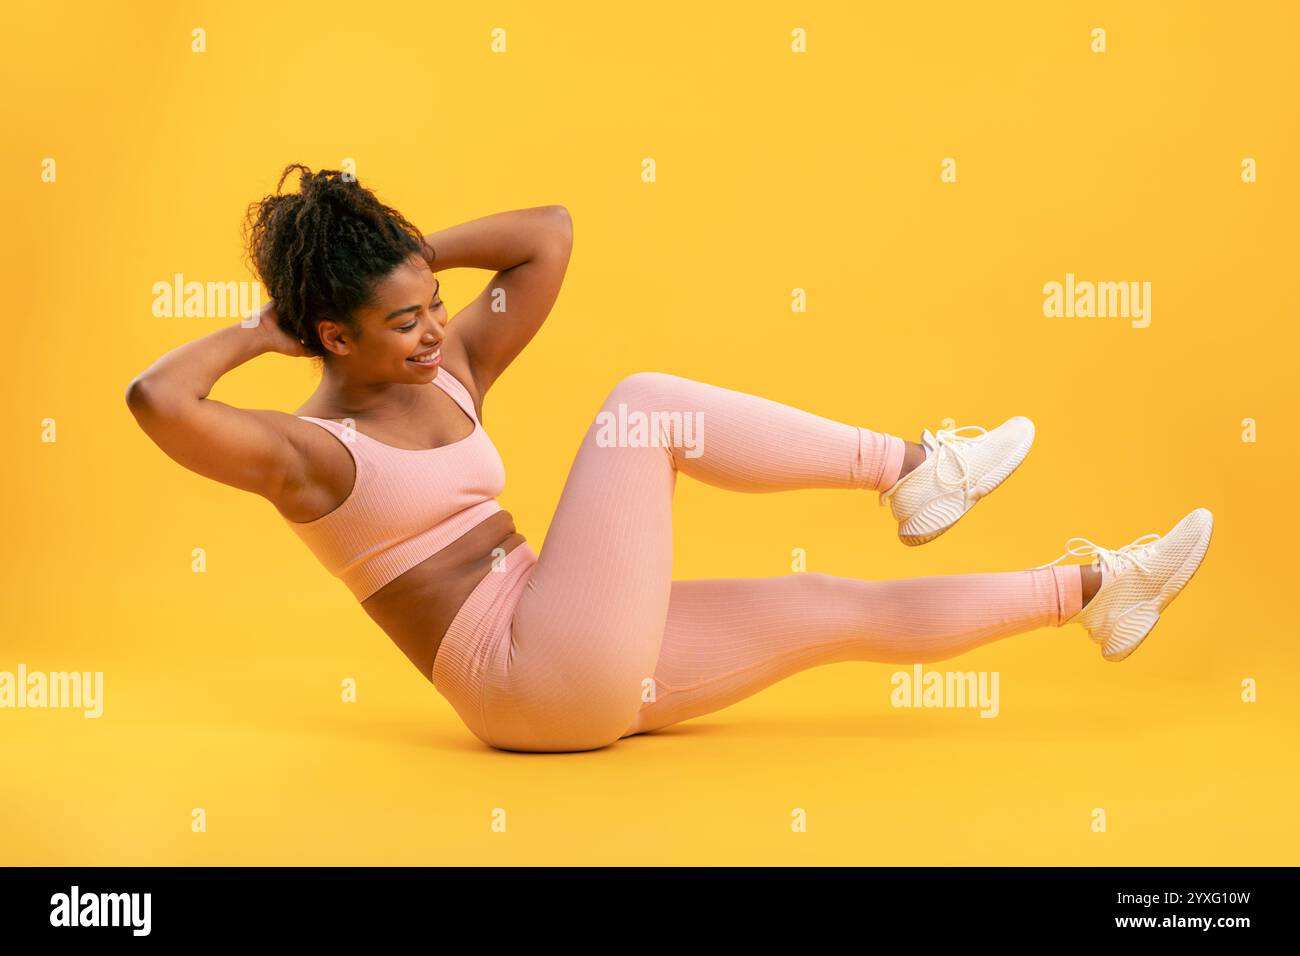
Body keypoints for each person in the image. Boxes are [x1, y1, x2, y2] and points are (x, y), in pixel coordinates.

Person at [125, 165, 1213, 753]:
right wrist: (259, 331)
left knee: (827, 601)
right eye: (399, 320)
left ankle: (1098, 590)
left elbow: (546, 230)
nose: (429, 331)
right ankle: (910, 466)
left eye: (433, 307)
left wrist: (404, 258)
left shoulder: (446, 367)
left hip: (569, 642)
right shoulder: (310, 454)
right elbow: (155, 398)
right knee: (645, 405)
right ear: (330, 336)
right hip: (522, 678)